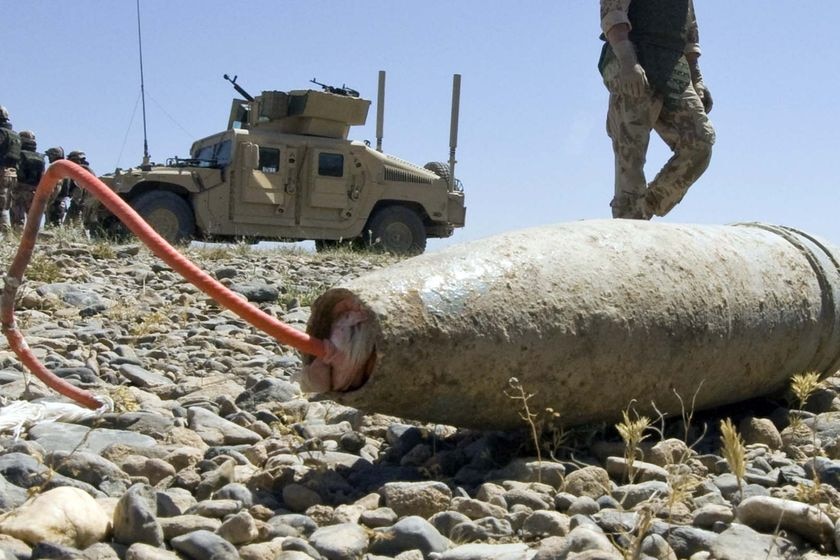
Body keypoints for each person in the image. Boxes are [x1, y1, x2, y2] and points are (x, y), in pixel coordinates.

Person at [598, 0, 716, 219]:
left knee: (700, 141)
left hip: (672, 63)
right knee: (630, 148)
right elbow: (612, 13)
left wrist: (696, 77)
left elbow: (689, 29)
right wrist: (627, 60)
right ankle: (629, 214)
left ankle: (648, 205)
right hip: (632, 55)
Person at [13, 130, 45, 228]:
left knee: (17, 218)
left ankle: (17, 237)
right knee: (33, 219)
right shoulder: (40, 157)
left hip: (19, 188)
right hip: (34, 190)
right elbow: (42, 175)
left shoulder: (19, 154)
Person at [0, 106, 21, 232]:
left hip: (1, 171)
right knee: (4, 205)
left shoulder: (2, 133)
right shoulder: (15, 136)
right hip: (12, 173)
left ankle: (5, 234)